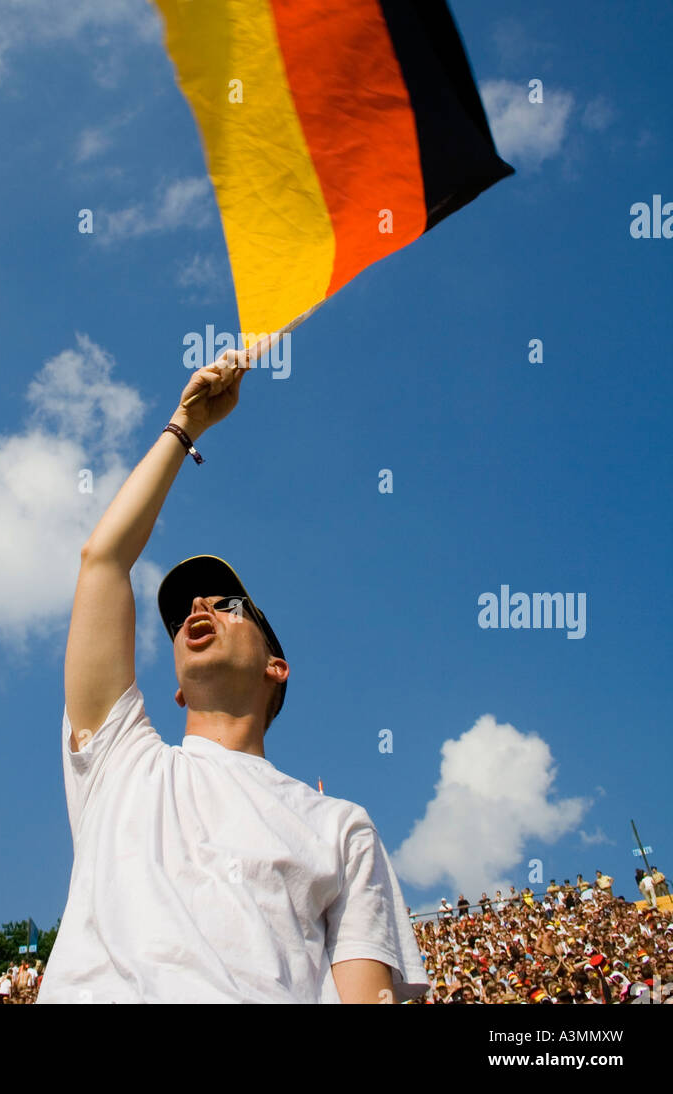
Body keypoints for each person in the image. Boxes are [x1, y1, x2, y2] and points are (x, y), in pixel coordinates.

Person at [37, 353, 427, 1005]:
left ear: (278, 666)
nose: (199, 608)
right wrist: (184, 426)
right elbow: (103, 561)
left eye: (228, 604)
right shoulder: (121, 764)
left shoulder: (340, 827)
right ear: (178, 690)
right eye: (189, 608)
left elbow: (364, 995)